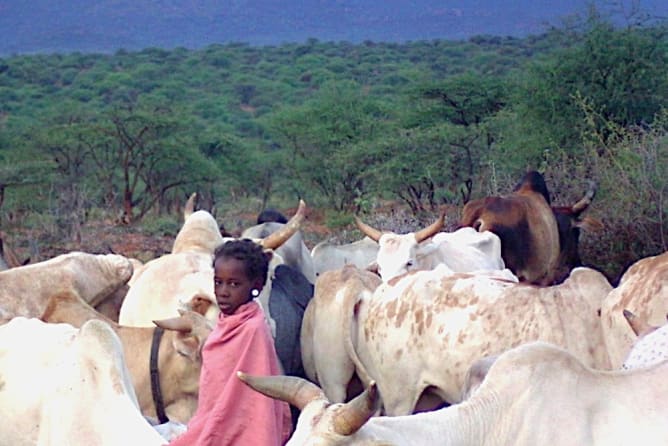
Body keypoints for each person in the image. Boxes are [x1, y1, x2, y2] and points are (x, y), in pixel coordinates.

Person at [169, 239, 292, 446]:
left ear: (257, 286)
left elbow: (253, 400)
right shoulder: (225, 323)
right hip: (213, 420)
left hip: (246, 430)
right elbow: (214, 393)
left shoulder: (253, 329)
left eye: (234, 284)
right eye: (218, 282)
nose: (223, 291)